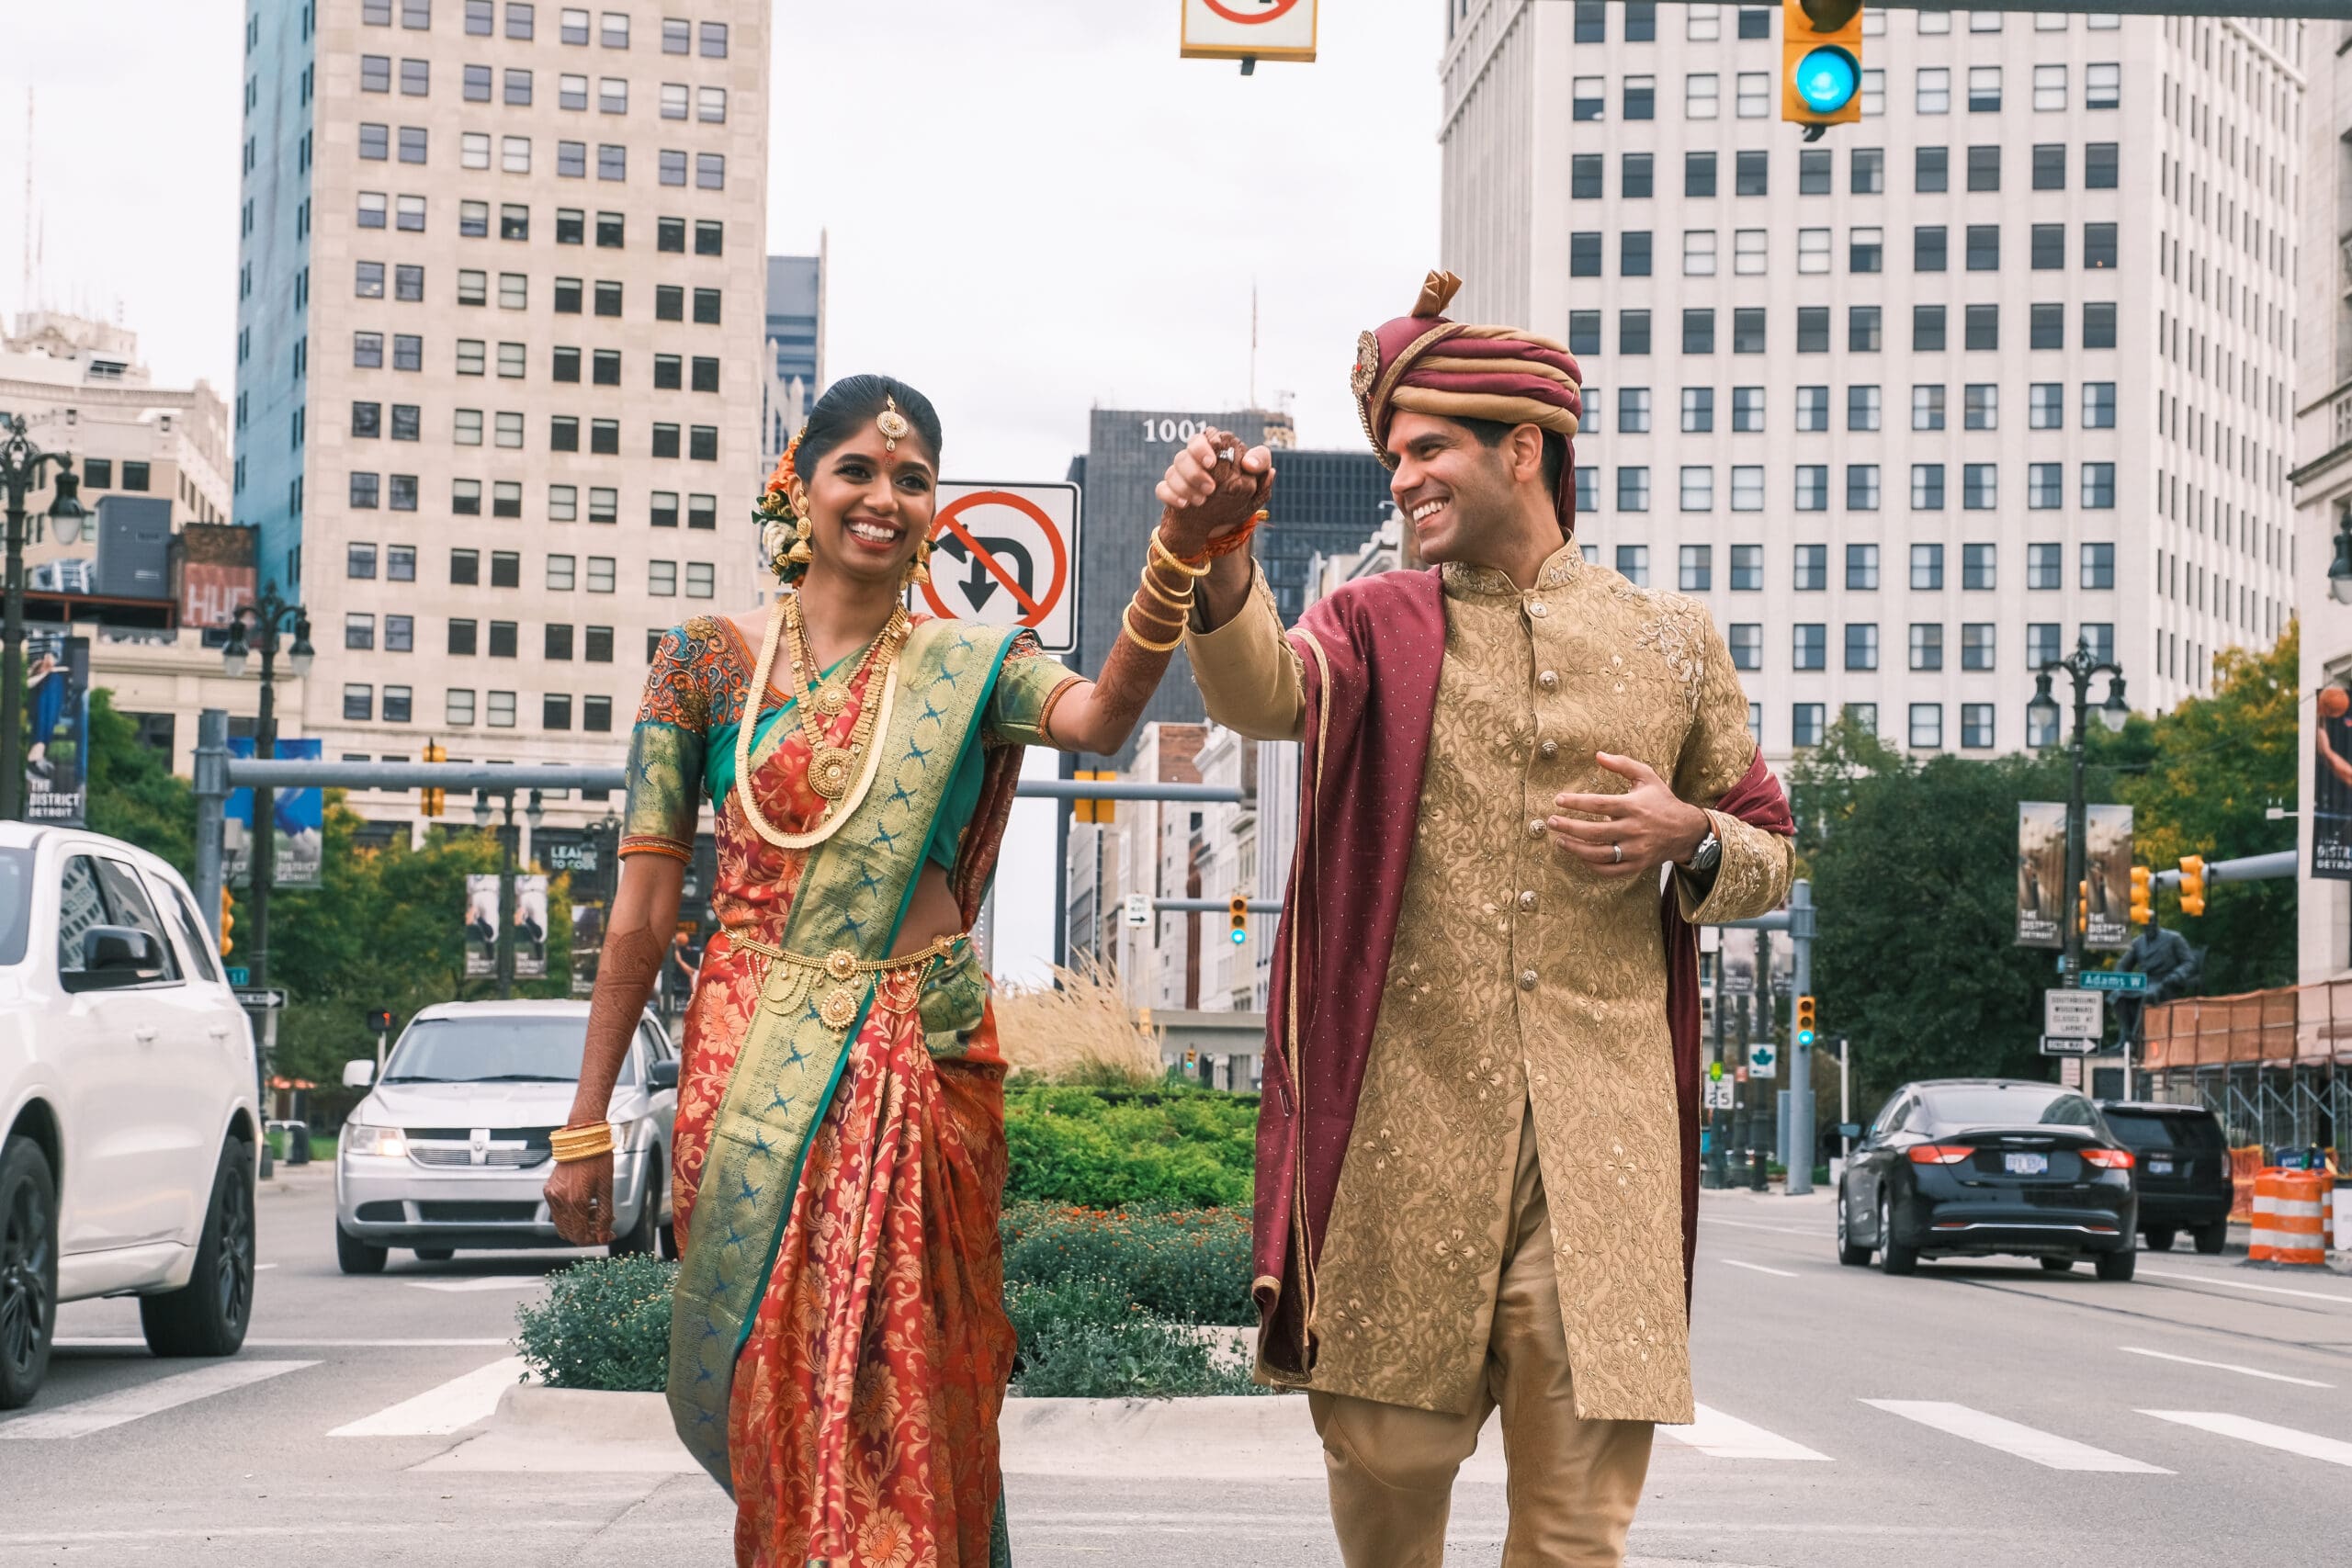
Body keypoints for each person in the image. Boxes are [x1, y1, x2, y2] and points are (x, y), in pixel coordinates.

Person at [544, 374, 1240, 1568]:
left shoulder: (976, 663)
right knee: (783, 1379)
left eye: (912, 479)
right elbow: (643, 918)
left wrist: (1173, 555)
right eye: (856, 471)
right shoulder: (703, 668)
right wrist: (585, 1124)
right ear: (796, 488)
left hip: (923, 1049)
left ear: (934, 508)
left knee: (918, 1373)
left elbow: (1105, 719)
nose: (883, 496)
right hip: (751, 1054)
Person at [1170, 271, 1797, 1567]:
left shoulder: (1672, 643)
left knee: (1577, 1529)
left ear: (1524, 450)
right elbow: (1260, 697)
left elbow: (1771, 851)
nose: (1401, 479)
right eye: (1394, 454)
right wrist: (1222, 566)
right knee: (1388, 1481)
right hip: (1411, 1134)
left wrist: (1693, 838)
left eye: (1428, 449)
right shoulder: (1370, 620)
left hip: (1606, 1151)